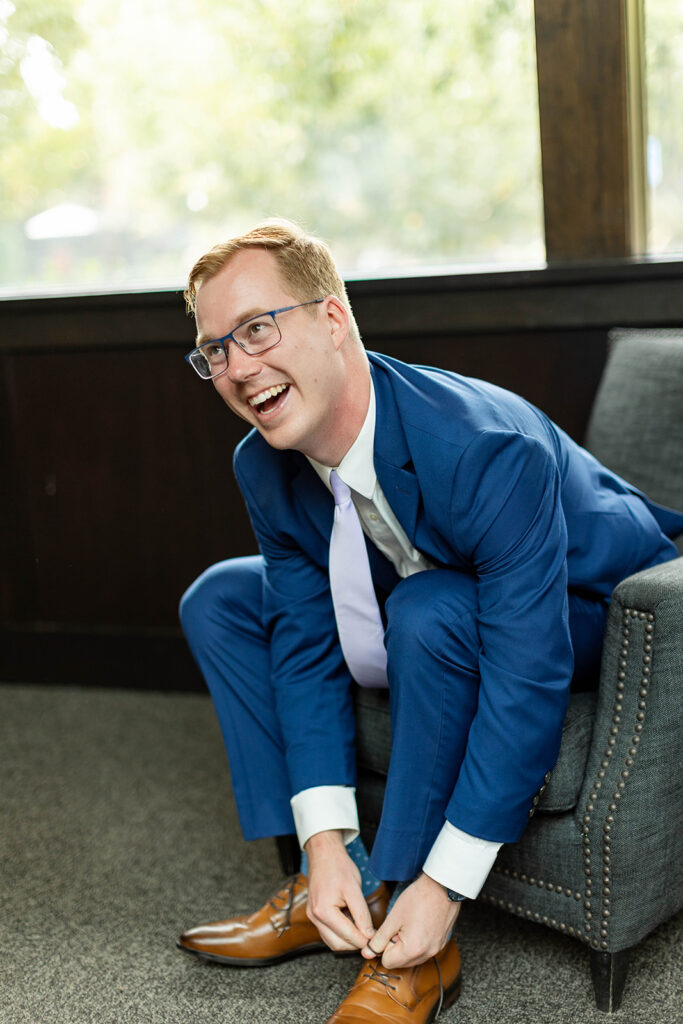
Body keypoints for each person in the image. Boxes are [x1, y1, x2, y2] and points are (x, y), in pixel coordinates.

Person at [176, 220, 683, 1023]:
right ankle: (322, 883)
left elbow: (527, 675)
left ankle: (411, 921)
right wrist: (324, 838)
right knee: (221, 598)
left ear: (333, 319)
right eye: (214, 351)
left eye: (256, 330)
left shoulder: (484, 448)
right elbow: (305, 643)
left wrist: (447, 885)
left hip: (594, 603)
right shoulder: (261, 464)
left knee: (431, 608)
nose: (238, 367)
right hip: (421, 572)